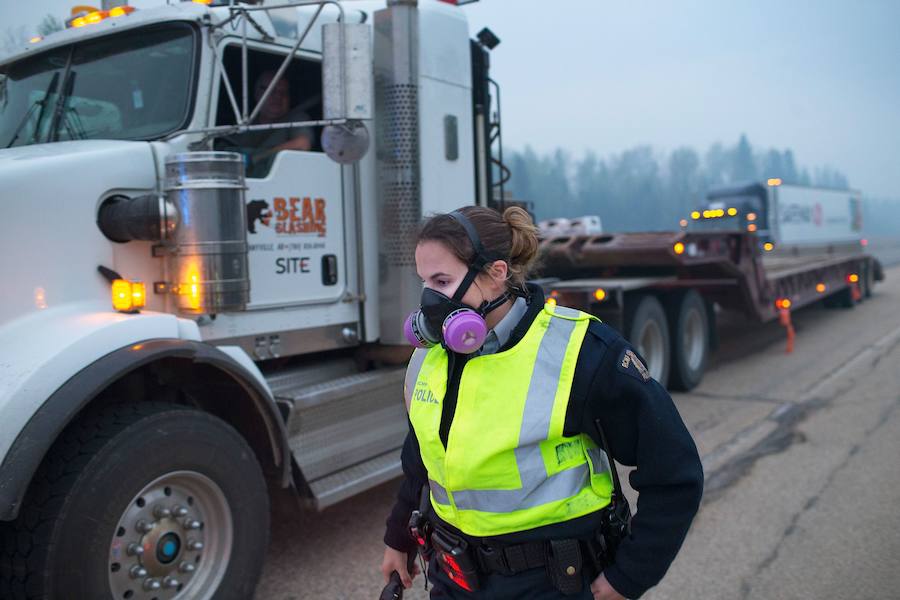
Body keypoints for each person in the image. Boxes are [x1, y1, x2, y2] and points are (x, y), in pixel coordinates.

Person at [380, 206, 704, 599]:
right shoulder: (428, 359)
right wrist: (399, 537)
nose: (430, 298)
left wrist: (629, 577)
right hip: (454, 579)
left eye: (443, 280)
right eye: (425, 281)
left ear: (496, 273)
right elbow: (422, 462)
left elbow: (674, 471)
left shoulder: (580, 354)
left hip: (551, 582)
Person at [238, 70, 315, 176]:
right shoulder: (244, 123)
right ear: (257, 94)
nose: (278, 97)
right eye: (271, 91)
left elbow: (302, 144)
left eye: (283, 92)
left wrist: (257, 158)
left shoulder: (296, 118)